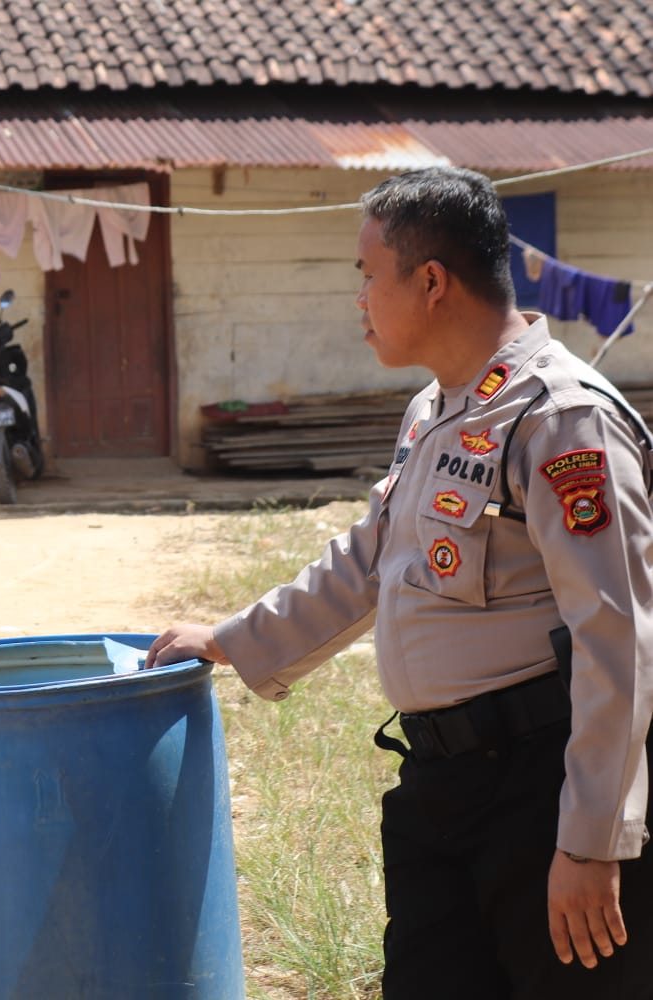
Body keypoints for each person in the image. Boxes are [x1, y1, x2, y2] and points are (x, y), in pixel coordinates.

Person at [151, 166, 653, 999]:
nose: (357, 298)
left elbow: (620, 639)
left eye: (365, 275)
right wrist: (235, 641)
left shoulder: (561, 417)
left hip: (540, 790)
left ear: (430, 283)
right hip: (440, 788)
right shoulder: (439, 409)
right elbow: (367, 560)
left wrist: (593, 840)